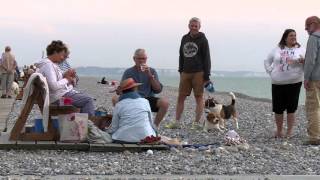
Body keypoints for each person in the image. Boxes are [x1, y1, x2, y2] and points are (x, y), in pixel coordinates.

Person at [165, 17, 211, 129]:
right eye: (192, 25)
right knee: (180, 97)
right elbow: (181, 55)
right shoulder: (184, 38)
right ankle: (176, 122)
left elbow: (207, 58)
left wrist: (207, 75)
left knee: (199, 97)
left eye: (196, 26)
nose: (194, 27)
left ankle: (196, 123)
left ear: (199, 27)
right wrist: (180, 70)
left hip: (199, 73)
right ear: (189, 26)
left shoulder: (203, 40)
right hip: (185, 72)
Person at [112, 48, 169, 128]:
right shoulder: (128, 72)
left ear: (146, 59)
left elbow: (158, 90)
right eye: (139, 59)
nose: (142, 61)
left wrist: (150, 76)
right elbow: (121, 90)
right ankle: (123, 122)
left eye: (144, 58)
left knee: (165, 103)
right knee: (115, 99)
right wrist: (118, 89)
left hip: (148, 99)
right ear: (134, 59)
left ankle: (154, 127)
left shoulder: (152, 71)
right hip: (132, 99)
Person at [264, 29, 305, 138]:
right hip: (277, 83)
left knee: (291, 108)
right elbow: (267, 61)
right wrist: (270, 72)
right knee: (278, 108)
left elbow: (308, 62)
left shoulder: (301, 49)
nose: (294, 37)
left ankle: (289, 131)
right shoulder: (277, 49)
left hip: (294, 82)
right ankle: (279, 131)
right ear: (285, 38)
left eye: (295, 35)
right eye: (291, 35)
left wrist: (303, 61)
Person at [35, 40, 95, 116]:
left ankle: (82, 124)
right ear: (55, 52)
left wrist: (65, 75)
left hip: (57, 96)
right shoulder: (48, 65)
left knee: (85, 98)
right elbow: (53, 86)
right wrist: (67, 79)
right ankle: (86, 126)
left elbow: (53, 81)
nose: (63, 58)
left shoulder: (48, 64)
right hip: (58, 98)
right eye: (63, 55)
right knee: (88, 100)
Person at [110, 78, 157, 143]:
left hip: (123, 138)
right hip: (146, 137)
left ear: (123, 91)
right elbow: (151, 122)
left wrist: (109, 133)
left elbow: (114, 127)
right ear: (135, 89)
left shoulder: (119, 105)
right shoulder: (145, 102)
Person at [304, 16, 320, 144]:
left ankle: (314, 137)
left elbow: (310, 60)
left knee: (313, 107)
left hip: (315, 78)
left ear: (314, 24)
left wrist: (306, 78)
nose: (306, 29)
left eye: (307, 26)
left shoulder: (314, 39)